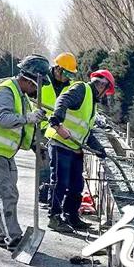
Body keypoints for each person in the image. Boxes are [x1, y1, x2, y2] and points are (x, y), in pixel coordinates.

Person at [0, 54, 50, 251]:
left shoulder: (21, 95)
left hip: (5, 153)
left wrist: (36, 145)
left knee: (8, 194)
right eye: (36, 87)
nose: (36, 91)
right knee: (6, 195)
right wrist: (29, 117)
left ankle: (2, 235)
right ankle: (13, 238)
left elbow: (23, 129)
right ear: (29, 80)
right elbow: (4, 119)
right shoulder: (5, 91)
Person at [44, 69, 116, 232]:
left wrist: (99, 149)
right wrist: (57, 121)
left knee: (77, 185)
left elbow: (85, 131)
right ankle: (54, 217)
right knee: (60, 182)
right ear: (102, 85)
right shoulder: (81, 89)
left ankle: (72, 216)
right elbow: (63, 100)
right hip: (60, 142)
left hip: (74, 148)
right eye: (106, 91)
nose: (105, 95)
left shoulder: (92, 103)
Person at [38, 53, 78, 206]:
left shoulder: (70, 86)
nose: (68, 77)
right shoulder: (41, 81)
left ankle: (51, 195)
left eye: (70, 74)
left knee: (55, 163)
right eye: (66, 73)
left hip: (58, 128)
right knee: (44, 163)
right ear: (57, 69)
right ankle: (44, 194)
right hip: (41, 128)